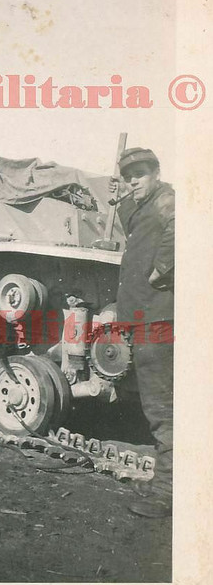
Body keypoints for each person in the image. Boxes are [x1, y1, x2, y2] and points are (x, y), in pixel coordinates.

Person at [111, 148, 174, 518]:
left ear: (156, 171)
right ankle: (166, 479)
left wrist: (160, 270)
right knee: (156, 405)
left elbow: (182, 229)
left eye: (140, 173)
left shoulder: (168, 201)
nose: (133, 180)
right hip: (144, 319)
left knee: (163, 408)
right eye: (127, 175)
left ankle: (168, 491)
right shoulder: (145, 204)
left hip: (158, 318)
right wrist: (122, 199)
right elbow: (131, 224)